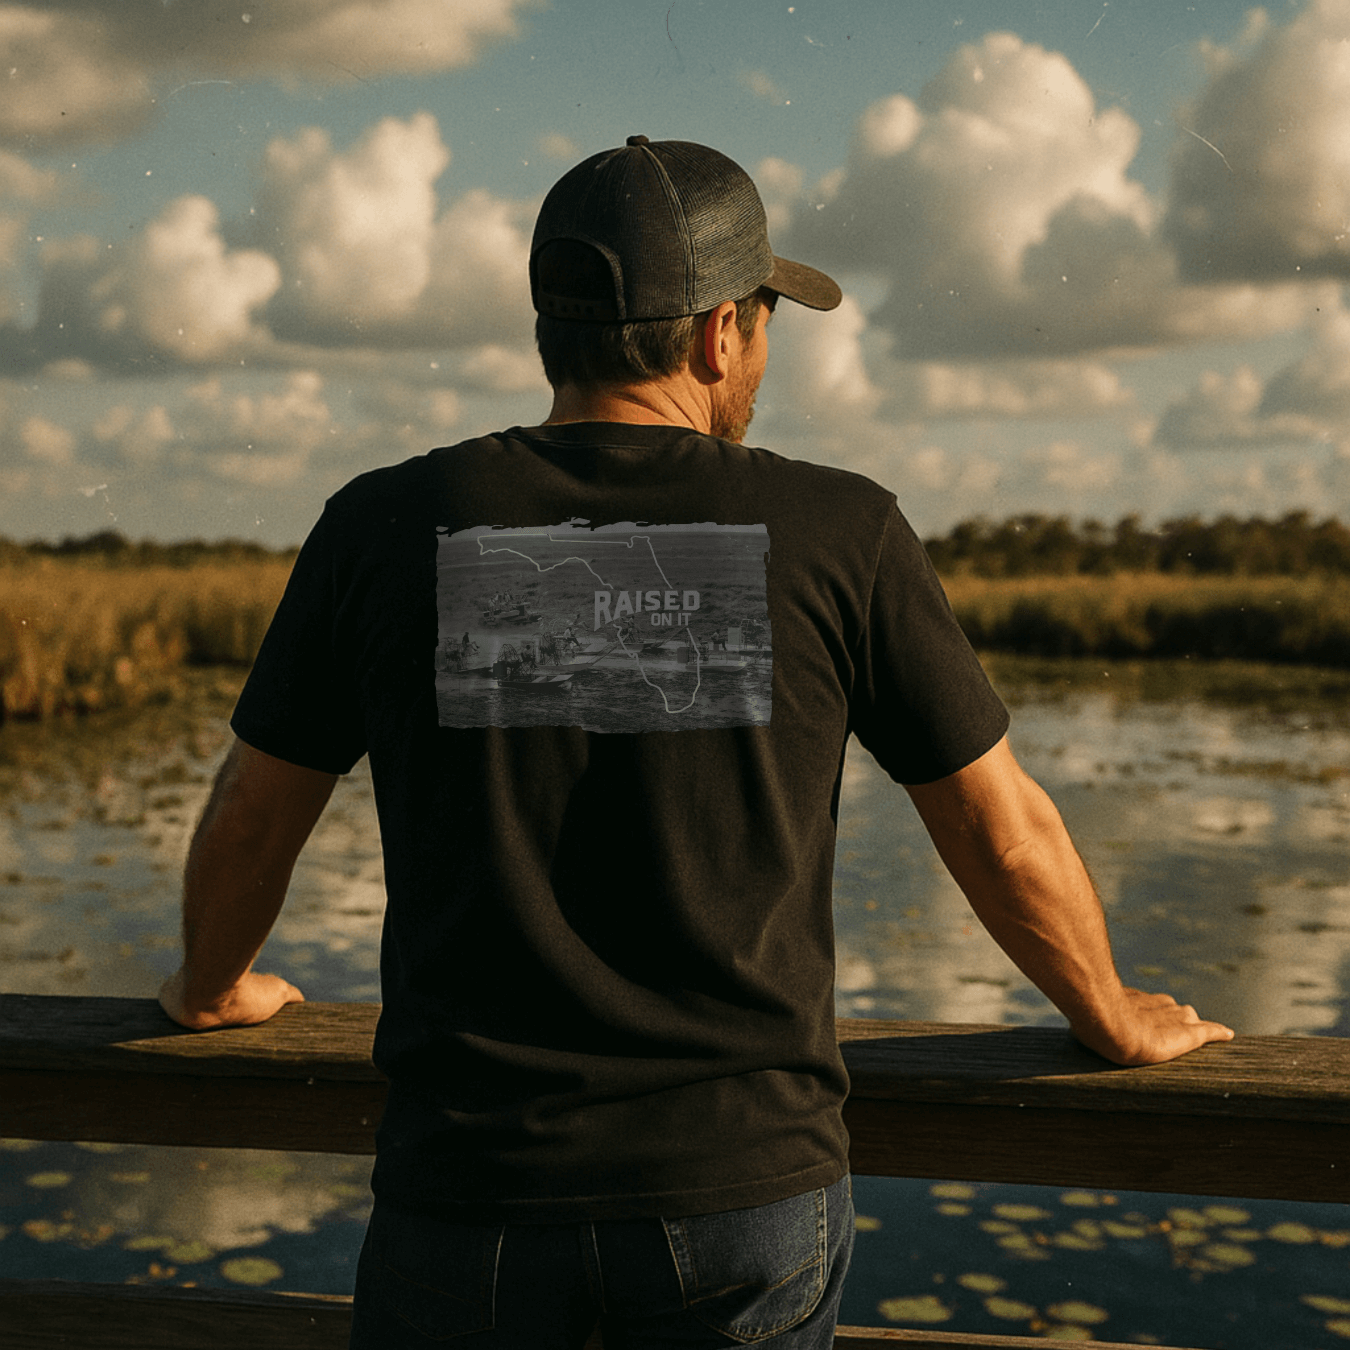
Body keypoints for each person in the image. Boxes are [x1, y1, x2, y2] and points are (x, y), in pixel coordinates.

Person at [157, 135, 1234, 1349]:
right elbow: (1000, 823)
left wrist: (207, 988)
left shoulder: (388, 524)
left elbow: (254, 806)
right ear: (721, 335)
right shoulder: (841, 531)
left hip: (471, 1197)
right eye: (766, 320)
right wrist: (1108, 1008)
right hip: (744, 1198)